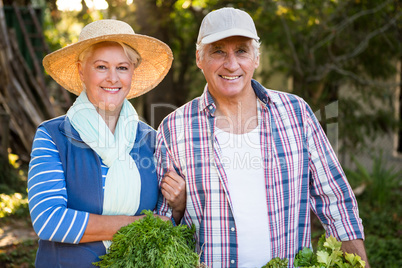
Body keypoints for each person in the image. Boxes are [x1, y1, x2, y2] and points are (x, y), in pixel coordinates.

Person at [156, 7, 370, 268]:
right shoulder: (174, 128)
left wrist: (359, 263)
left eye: (242, 51)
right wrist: (178, 208)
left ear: (256, 58)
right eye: (218, 51)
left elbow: (335, 200)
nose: (231, 64)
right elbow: (163, 225)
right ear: (200, 58)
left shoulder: (296, 113)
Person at [27, 19, 179, 267]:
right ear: (80, 70)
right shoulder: (52, 136)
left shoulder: (151, 140)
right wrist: (137, 223)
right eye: (101, 66)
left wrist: (179, 205)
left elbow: (166, 222)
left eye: (122, 67)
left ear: (132, 73)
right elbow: (49, 221)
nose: (112, 78)